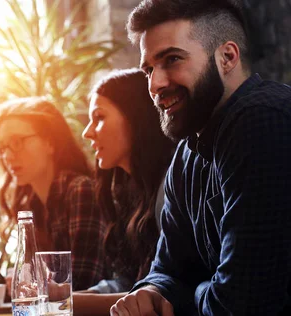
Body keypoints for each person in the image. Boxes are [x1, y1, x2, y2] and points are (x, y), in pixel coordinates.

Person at [110, 1, 291, 315]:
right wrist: (152, 292)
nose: (155, 85)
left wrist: (186, 296)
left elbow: (244, 304)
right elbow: (168, 268)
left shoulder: (261, 118)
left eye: (172, 59)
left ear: (227, 57)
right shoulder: (187, 152)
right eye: (149, 69)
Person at [72, 69, 175, 315]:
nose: (87, 132)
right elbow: (126, 282)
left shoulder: (171, 186)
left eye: (99, 117)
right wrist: (59, 295)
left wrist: (61, 302)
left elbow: (159, 294)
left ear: (135, 117)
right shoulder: (124, 191)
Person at [0, 97, 108, 291]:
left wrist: (32, 287)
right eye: (2, 148)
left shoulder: (80, 190)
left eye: (17, 142)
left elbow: (82, 283)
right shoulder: (30, 205)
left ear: (50, 142)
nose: (7, 156)